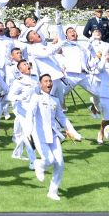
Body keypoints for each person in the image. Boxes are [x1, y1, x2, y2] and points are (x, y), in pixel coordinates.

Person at [31, 73, 81, 201]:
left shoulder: (55, 100)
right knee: (49, 160)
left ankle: (53, 191)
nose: (49, 83)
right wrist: (27, 131)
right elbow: (29, 115)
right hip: (39, 134)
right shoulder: (36, 98)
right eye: (46, 81)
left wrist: (73, 132)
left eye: (50, 81)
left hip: (53, 134)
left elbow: (62, 118)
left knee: (60, 163)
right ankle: (38, 163)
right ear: (40, 84)